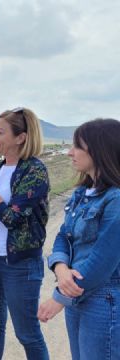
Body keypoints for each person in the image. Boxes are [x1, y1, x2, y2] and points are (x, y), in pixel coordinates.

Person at [0, 107, 50, 359]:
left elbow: (12, 218)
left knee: (27, 333)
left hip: (19, 263)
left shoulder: (34, 171)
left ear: (21, 137)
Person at [37, 118, 120, 360]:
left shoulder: (116, 199)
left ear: (99, 150)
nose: (70, 152)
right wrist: (61, 269)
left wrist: (59, 298)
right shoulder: (82, 193)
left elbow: (103, 260)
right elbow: (64, 235)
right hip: (76, 292)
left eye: (77, 146)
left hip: (104, 300)